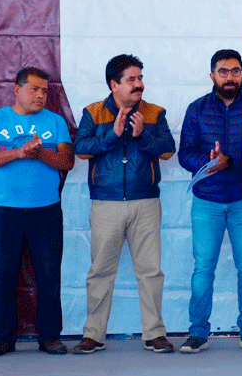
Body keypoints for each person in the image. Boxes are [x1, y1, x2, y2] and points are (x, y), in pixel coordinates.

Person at [72, 54, 176, 354]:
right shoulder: (93, 112)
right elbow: (81, 149)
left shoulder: (155, 113)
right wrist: (112, 134)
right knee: (100, 272)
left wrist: (142, 136)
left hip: (146, 202)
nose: (139, 84)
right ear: (113, 84)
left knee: (151, 272)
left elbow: (168, 150)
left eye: (140, 78)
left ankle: (155, 333)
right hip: (106, 204)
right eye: (131, 79)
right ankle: (93, 335)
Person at [0, 67, 74, 357]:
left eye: (45, 90)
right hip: (6, 210)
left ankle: (50, 337)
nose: (41, 95)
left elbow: (67, 161)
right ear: (16, 90)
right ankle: (2, 337)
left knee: (48, 275)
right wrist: (19, 152)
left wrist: (39, 151)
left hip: (46, 210)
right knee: (4, 274)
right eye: (34, 89)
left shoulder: (55, 122)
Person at [177, 49, 242, 354]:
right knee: (203, 268)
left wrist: (232, 162)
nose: (230, 77)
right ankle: (198, 332)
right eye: (223, 71)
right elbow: (184, 154)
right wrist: (210, 161)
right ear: (212, 74)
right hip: (207, 202)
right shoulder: (197, 109)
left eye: (235, 71)